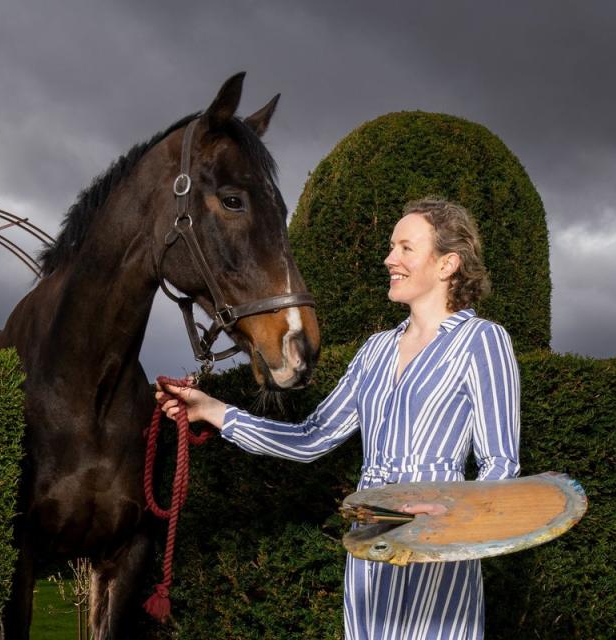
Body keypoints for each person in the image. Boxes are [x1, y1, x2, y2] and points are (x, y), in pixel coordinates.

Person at [158, 197, 520, 639]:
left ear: (447, 264)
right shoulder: (374, 351)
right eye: (391, 247)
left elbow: (501, 464)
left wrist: (449, 515)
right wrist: (212, 410)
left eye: (406, 248)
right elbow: (312, 438)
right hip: (369, 540)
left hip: (438, 546)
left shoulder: (483, 340)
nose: (390, 259)